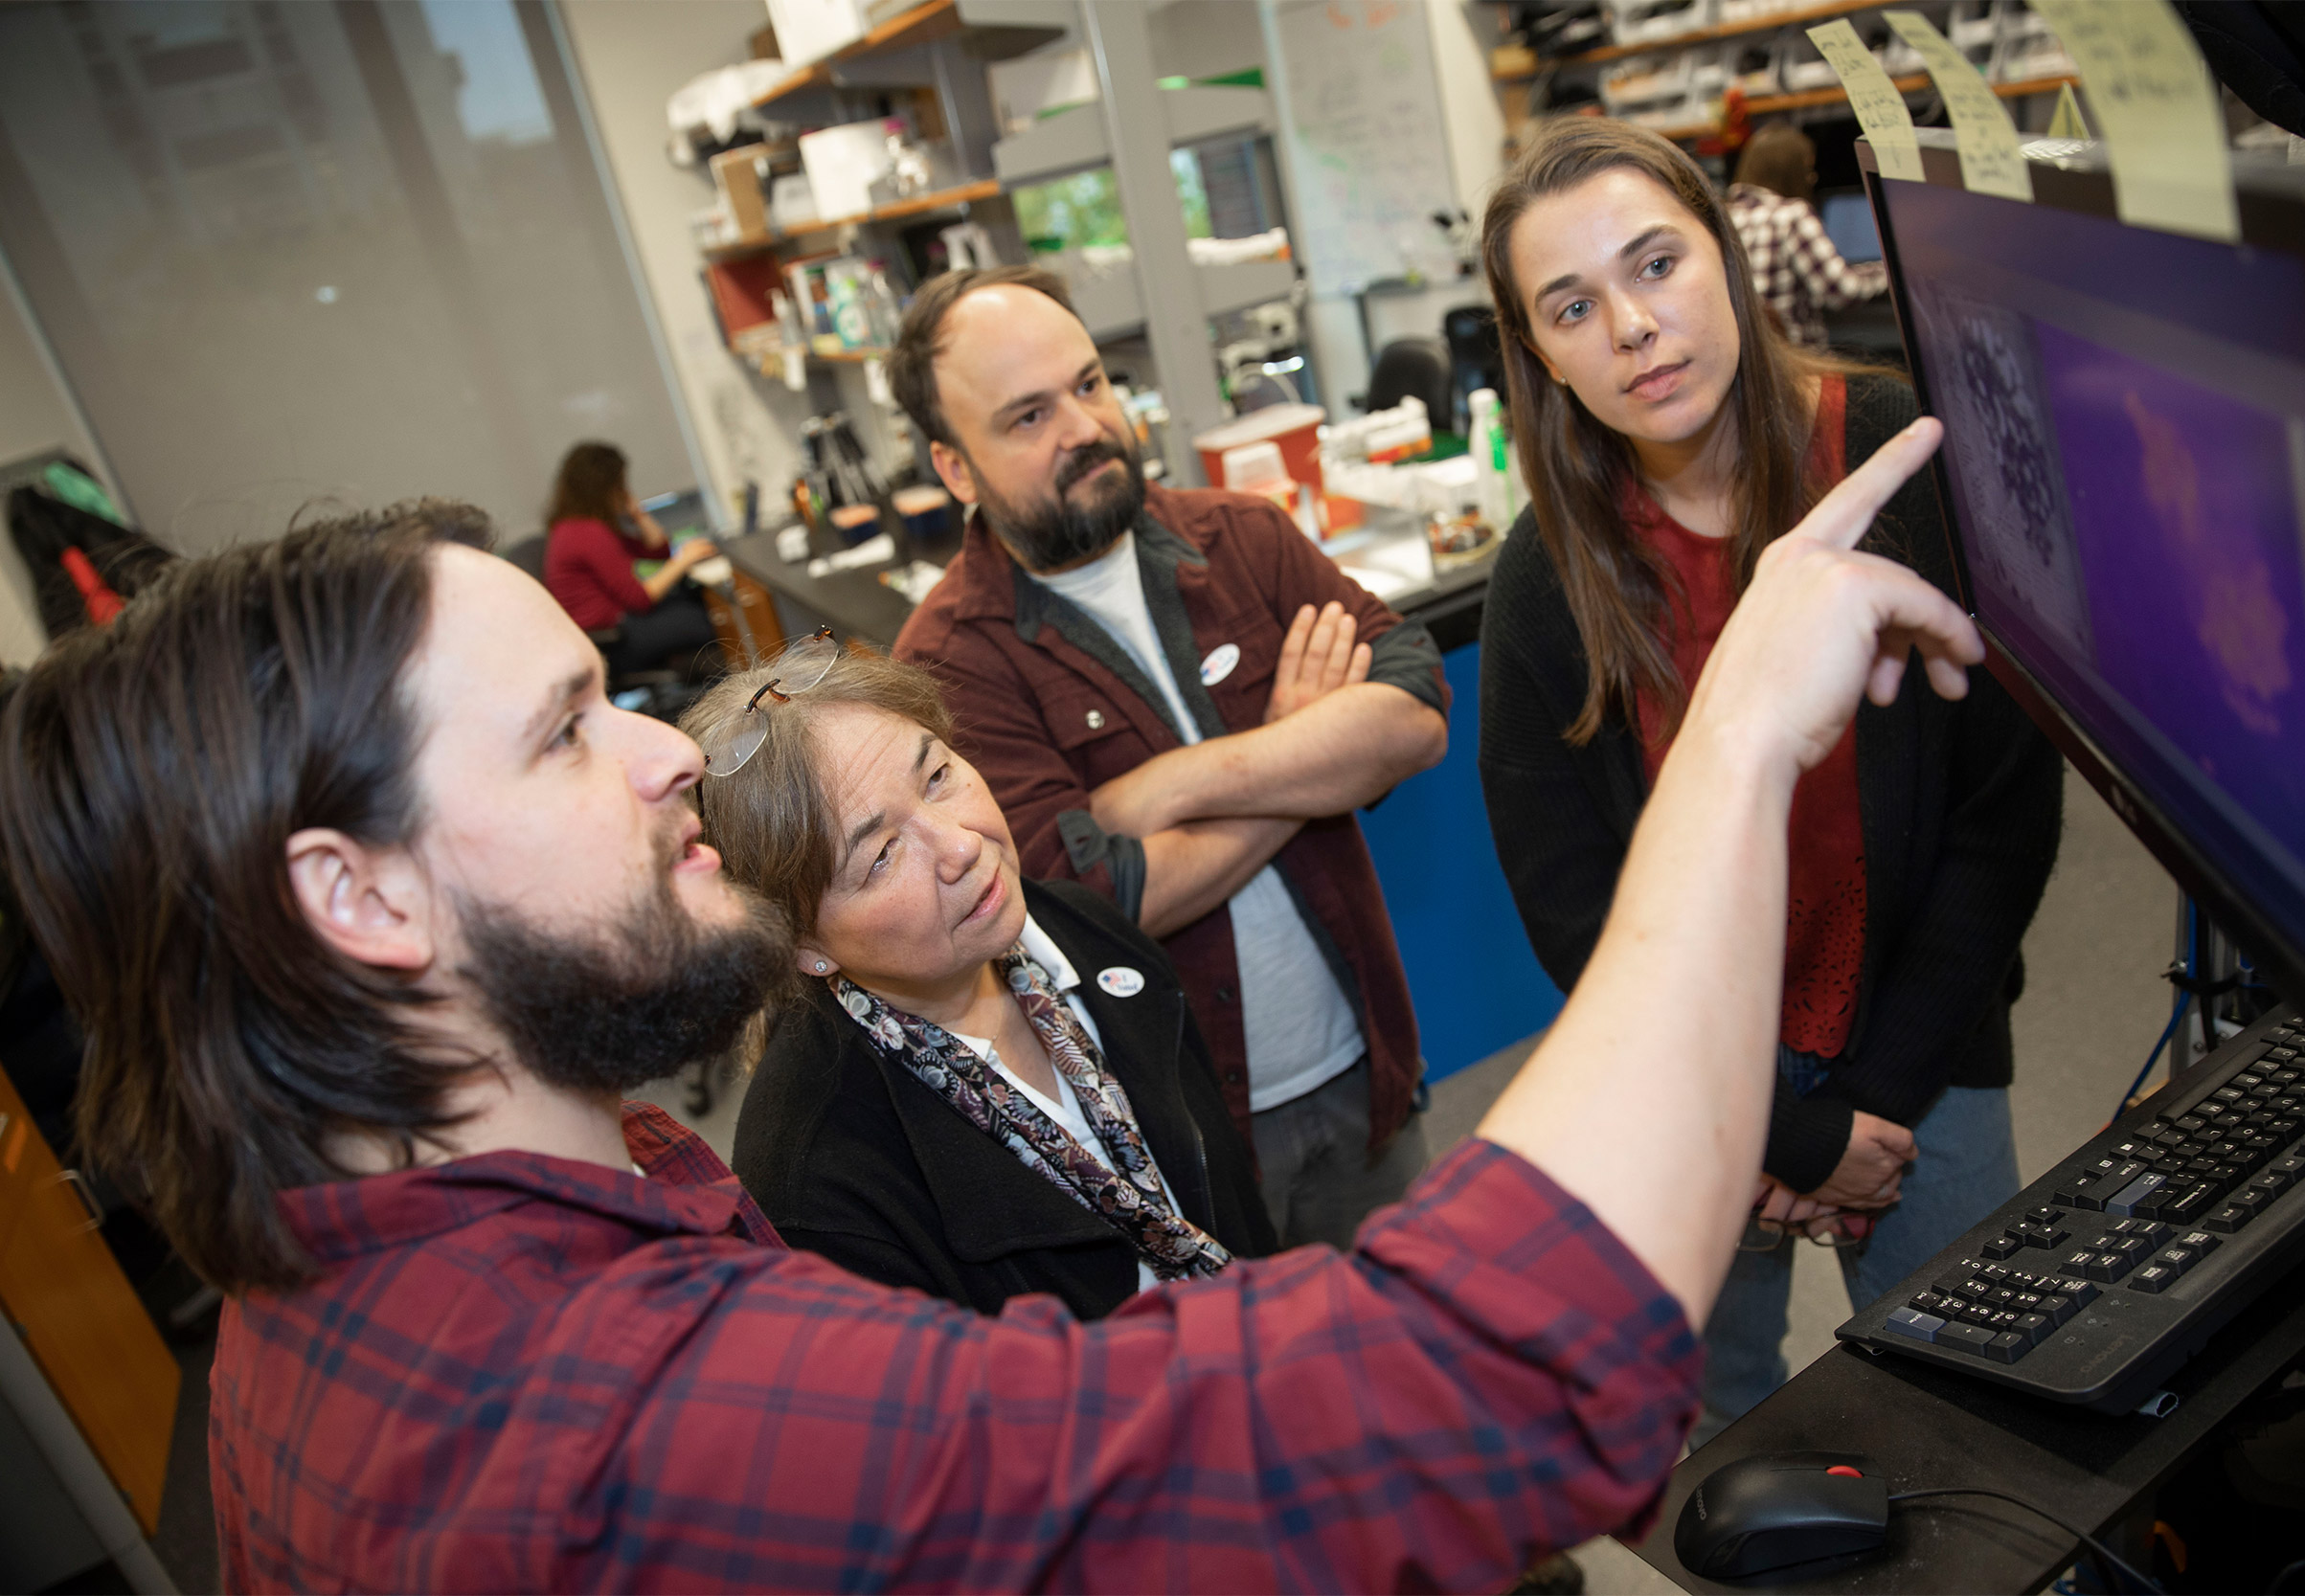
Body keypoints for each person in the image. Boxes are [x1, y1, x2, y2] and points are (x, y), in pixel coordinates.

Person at [0, 443, 1978, 1590]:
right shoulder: (617, 1424)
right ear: (353, 897)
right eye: (562, 730)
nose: (665, 758)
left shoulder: (325, 1287)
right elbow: (1471, 1377)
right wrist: (1733, 744)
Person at [1472, 119, 2064, 1445]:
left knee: (1989, 1414)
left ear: (1726, 255)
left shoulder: (1901, 456)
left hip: (1922, 1048)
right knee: (1726, 1445)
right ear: (1540, 352)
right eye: (1573, 304)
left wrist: (1875, 1104)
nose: (1632, 325)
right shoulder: (1547, 576)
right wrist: (1782, 1135)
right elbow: (1573, 902)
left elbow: (2004, 815)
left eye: (1656, 263)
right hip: (1694, 1083)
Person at [888, 266, 1451, 1250]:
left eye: (1091, 383)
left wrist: (1168, 785)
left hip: (1367, 1075)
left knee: (1425, 1375)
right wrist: (1311, 757)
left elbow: (1414, 709)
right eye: (1027, 416)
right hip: (1180, 1145)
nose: (1083, 426)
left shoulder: (1243, 539)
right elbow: (1091, 895)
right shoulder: (947, 663)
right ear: (954, 467)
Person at [685, 639, 1276, 1319]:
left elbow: (1228, 1200)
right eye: (881, 854)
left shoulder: (1078, 929)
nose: (962, 844)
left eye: (937, 775)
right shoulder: (818, 1184)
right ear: (804, 945)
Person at [541, 440, 721, 677]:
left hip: (614, 630)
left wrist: (638, 513)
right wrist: (684, 560)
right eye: (621, 486)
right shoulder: (588, 534)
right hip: (614, 640)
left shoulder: (577, 527)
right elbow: (640, 598)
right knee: (706, 615)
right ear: (607, 488)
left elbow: (658, 551)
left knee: (692, 597)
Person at [1724, 122, 1889, 348]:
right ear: (1791, 172)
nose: (1811, 179)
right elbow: (1842, 291)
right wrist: (1890, 271)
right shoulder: (1791, 216)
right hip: (1799, 365)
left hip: (1749, 365)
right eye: (1808, 171)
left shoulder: (1722, 219)